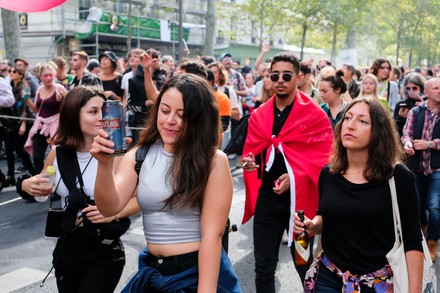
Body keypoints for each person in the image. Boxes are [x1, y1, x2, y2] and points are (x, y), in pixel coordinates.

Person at [91, 74, 241, 292]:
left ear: (199, 119)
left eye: (182, 115)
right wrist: (104, 165)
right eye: (165, 110)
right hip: (152, 273)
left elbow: (212, 236)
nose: (170, 120)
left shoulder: (214, 161)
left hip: (196, 274)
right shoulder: (139, 155)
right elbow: (109, 207)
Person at [296, 97, 423, 292]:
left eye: (362, 121)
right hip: (329, 277)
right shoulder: (329, 173)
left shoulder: (398, 177)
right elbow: (325, 214)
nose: (351, 125)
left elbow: (412, 239)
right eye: (347, 118)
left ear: (378, 132)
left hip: (377, 283)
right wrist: (312, 225)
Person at [17, 86, 136, 292]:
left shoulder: (116, 155)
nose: (101, 117)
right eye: (92, 111)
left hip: (103, 248)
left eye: (104, 111)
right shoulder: (58, 154)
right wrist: (27, 185)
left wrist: (113, 212)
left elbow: (138, 198)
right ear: (74, 115)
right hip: (67, 247)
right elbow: (42, 189)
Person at [241, 52, 334, 292]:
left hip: (300, 211)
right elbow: (253, 153)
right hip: (266, 205)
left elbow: (326, 161)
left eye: (286, 75)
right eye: (275, 75)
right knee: (263, 268)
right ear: (269, 78)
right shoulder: (259, 114)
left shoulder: (315, 115)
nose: (280, 80)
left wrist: (293, 178)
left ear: (299, 77)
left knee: (304, 266)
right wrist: (251, 164)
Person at [402, 77, 440, 262]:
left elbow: (429, 143)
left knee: (434, 207)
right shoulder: (416, 111)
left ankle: (433, 241)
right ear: (427, 91)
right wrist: (408, 143)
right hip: (416, 167)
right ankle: (422, 234)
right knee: (417, 205)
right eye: (436, 88)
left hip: (437, 169)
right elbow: (406, 133)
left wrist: (430, 144)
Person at [25, 63, 67, 174]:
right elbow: (37, 110)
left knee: (58, 155)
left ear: (54, 75)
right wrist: (27, 99)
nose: (48, 78)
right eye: (45, 75)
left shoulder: (59, 88)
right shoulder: (39, 89)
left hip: (55, 126)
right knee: (37, 157)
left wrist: (61, 100)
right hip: (41, 126)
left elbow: (69, 107)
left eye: (50, 75)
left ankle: (60, 180)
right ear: (40, 76)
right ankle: (39, 182)